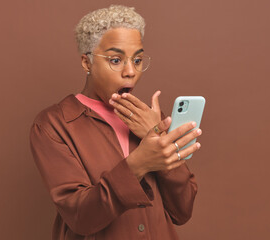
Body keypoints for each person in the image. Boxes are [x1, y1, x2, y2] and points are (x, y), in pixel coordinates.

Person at [30, 5, 201, 240]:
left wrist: (159, 140)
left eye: (138, 59)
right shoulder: (54, 125)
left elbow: (182, 211)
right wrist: (139, 164)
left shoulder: (152, 120)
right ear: (86, 63)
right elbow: (81, 216)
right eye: (115, 60)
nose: (130, 71)